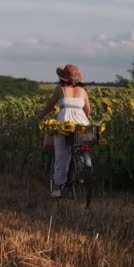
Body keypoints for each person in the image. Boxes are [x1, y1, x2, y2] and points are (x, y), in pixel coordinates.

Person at [38, 64, 91, 198]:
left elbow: (49, 107)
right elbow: (88, 110)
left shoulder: (60, 90)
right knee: (82, 145)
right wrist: (83, 120)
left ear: (62, 78)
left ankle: (58, 187)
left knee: (61, 154)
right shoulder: (83, 91)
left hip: (64, 125)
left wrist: (41, 116)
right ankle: (83, 167)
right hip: (82, 124)